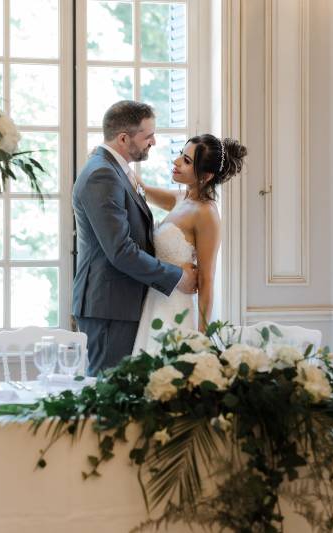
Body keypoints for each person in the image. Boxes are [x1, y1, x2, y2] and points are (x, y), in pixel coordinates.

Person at [72, 100, 198, 375]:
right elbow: (120, 251)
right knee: (109, 394)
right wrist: (177, 274)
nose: (153, 141)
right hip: (110, 306)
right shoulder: (102, 174)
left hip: (122, 303)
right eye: (148, 135)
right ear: (123, 138)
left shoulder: (113, 169)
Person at [132, 134, 247, 355]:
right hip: (154, 299)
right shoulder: (180, 199)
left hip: (176, 306)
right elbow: (142, 190)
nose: (176, 162)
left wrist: (202, 339)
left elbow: (206, 279)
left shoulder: (206, 214)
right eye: (179, 155)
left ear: (205, 175)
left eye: (186, 161)